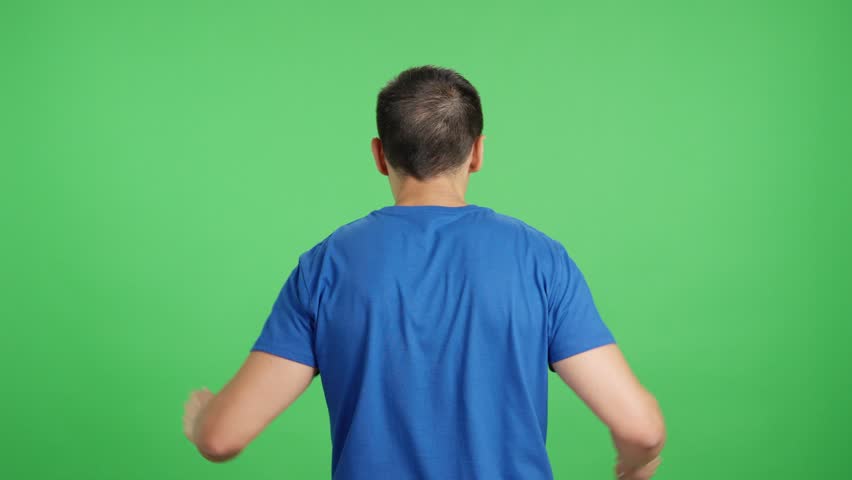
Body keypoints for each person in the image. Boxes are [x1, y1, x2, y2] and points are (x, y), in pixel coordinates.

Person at [182, 64, 666, 479]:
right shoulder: (540, 260)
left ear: (378, 155)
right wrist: (636, 463)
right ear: (477, 152)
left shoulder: (327, 265)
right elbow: (641, 429)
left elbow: (223, 439)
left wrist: (204, 419)